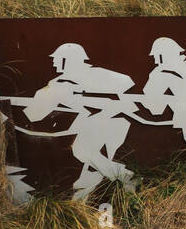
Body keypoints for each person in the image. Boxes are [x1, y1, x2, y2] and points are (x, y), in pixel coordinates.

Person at [20, 42, 137, 200]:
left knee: (83, 151)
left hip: (107, 122)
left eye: (58, 59)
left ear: (68, 60)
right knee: (91, 165)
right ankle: (83, 202)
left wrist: (97, 96)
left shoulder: (63, 83)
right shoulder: (88, 76)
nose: (54, 62)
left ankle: (125, 177)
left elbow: (33, 114)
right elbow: (128, 82)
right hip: (113, 122)